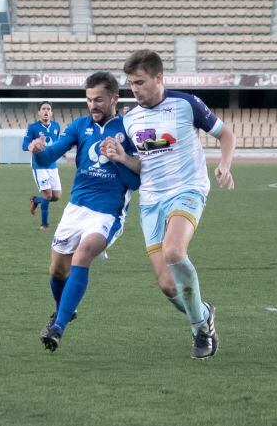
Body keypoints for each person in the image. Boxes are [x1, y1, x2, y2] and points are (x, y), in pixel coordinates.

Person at [102, 49, 236, 359]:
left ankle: (200, 332)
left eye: (139, 82)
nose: (133, 89)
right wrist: (122, 158)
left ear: (159, 78)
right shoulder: (130, 119)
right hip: (150, 201)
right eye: (130, 83)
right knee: (166, 285)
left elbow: (225, 133)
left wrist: (225, 165)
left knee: (175, 251)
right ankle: (203, 316)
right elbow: (141, 165)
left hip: (187, 190)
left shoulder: (186, 104)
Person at [30, 71, 140, 352]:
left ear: (114, 98)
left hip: (107, 211)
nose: (93, 105)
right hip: (76, 207)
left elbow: (135, 182)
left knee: (83, 253)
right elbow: (49, 155)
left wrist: (118, 158)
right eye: (89, 100)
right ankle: (64, 309)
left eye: (99, 100)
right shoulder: (80, 126)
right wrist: (38, 150)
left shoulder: (129, 129)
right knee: (57, 270)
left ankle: (58, 327)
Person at [22, 101, 62, 230]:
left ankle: (36, 200)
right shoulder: (32, 127)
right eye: (43, 109)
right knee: (48, 195)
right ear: (39, 112)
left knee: (56, 196)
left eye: (48, 109)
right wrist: (33, 145)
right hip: (39, 166)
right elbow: (24, 145)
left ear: (51, 112)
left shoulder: (56, 126)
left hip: (52, 165)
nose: (46, 111)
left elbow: (57, 144)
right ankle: (44, 225)